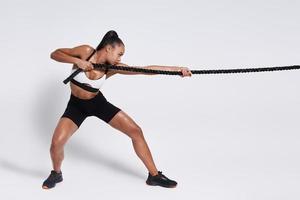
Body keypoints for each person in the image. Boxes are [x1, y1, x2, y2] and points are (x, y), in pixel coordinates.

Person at [42, 30, 192, 189]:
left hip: (97, 103)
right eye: (119, 54)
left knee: (136, 131)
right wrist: (76, 61)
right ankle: (56, 174)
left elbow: (145, 70)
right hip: (76, 106)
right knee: (56, 144)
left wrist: (178, 69)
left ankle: (154, 176)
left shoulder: (113, 67)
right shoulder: (85, 52)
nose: (120, 58)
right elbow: (55, 54)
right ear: (108, 49)